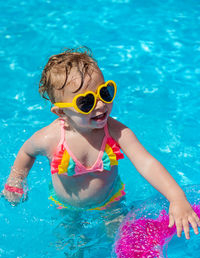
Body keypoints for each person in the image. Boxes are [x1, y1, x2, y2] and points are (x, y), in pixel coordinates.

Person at [2, 46, 200, 240]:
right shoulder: (49, 138)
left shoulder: (116, 131)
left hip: (110, 201)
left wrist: (176, 197)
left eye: (104, 93)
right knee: (72, 244)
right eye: (86, 102)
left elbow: (145, 162)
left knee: (118, 239)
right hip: (67, 204)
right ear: (61, 112)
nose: (101, 105)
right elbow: (27, 153)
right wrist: (16, 179)